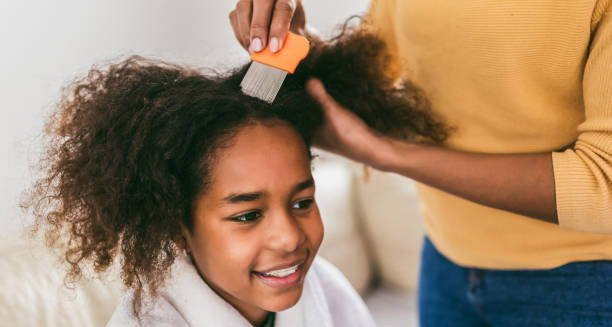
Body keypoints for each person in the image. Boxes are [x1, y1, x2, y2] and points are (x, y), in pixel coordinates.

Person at [24, 27, 447, 326]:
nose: (289, 238)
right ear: (178, 228)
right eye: (247, 215)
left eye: (302, 203)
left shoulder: (325, 290)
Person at [228, 0, 612, 326]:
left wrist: (387, 154)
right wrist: (298, 43)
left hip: (585, 283)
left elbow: (604, 187)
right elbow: (373, 83)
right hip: (444, 261)